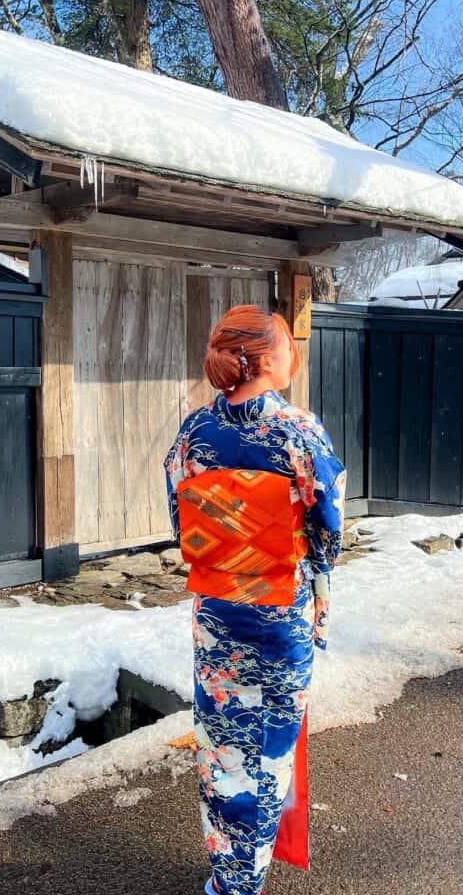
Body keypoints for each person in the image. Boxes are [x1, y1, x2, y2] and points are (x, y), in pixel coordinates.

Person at [164, 304, 346, 895]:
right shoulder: (296, 429)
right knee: (266, 743)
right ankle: (239, 884)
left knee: (222, 741)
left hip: (216, 609)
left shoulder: (195, 430)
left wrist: (227, 546)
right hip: (277, 607)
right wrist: (316, 569)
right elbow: (328, 520)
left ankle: (231, 867)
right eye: (289, 345)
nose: (295, 353)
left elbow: (180, 514)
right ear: (267, 359)